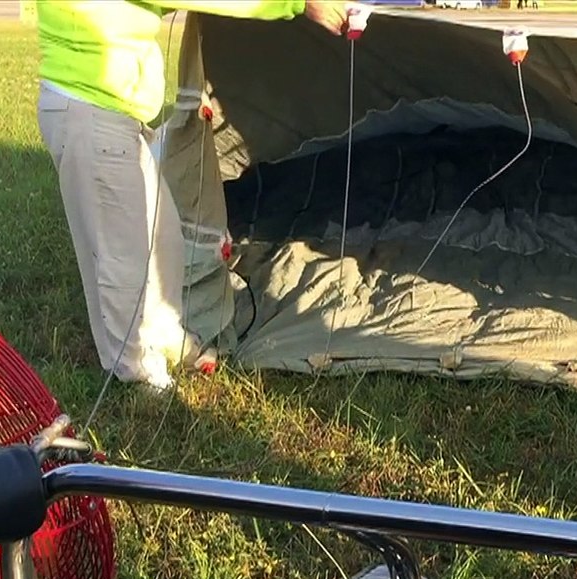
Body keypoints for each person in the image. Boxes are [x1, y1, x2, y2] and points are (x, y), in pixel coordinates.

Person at [35, 1, 349, 390]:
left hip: (110, 113)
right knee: (122, 256)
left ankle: (167, 338)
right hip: (92, 111)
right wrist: (300, 4)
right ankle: (136, 372)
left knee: (162, 237)